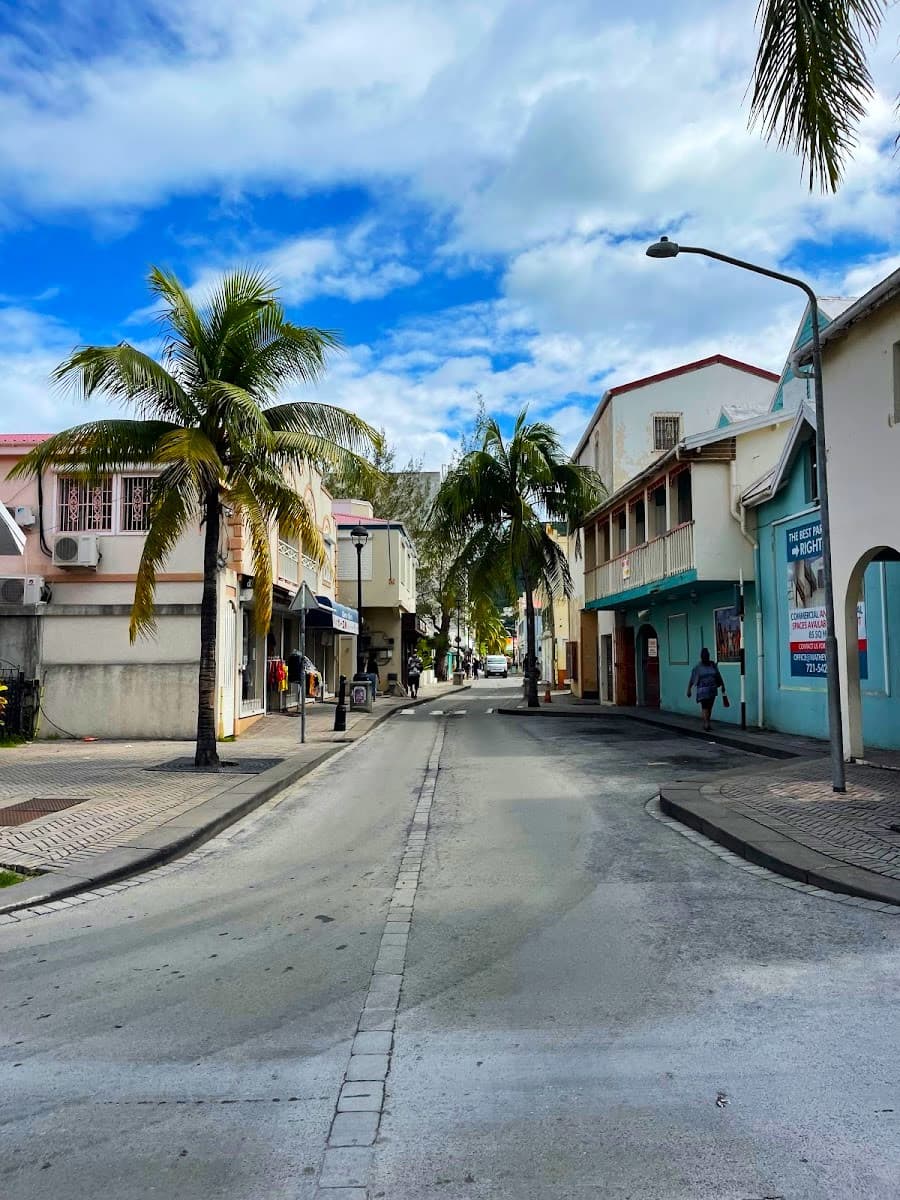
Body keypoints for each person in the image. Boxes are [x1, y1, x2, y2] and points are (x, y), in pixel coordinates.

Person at [687, 647, 727, 731]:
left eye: (707, 655)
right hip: (703, 690)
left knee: (709, 707)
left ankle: (707, 722)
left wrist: (722, 685)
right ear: (702, 657)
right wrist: (689, 689)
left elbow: (718, 675)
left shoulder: (712, 665)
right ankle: (706, 724)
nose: (706, 657)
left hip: (712, 689)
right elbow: (692, 679)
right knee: (705, 706)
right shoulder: (698, 667)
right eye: (704, 656)